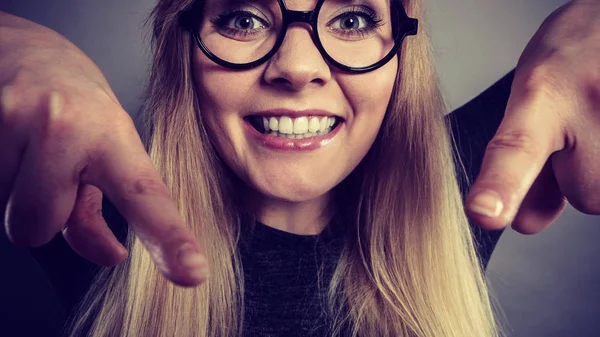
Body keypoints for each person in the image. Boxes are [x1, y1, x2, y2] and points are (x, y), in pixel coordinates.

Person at [1, 0, 599, 336]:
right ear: (180, 43)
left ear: (402, 45)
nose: (296, 65)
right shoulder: (90, 208)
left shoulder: (463, 182)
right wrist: (19, 47)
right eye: (241, 18)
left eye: (354, 18)